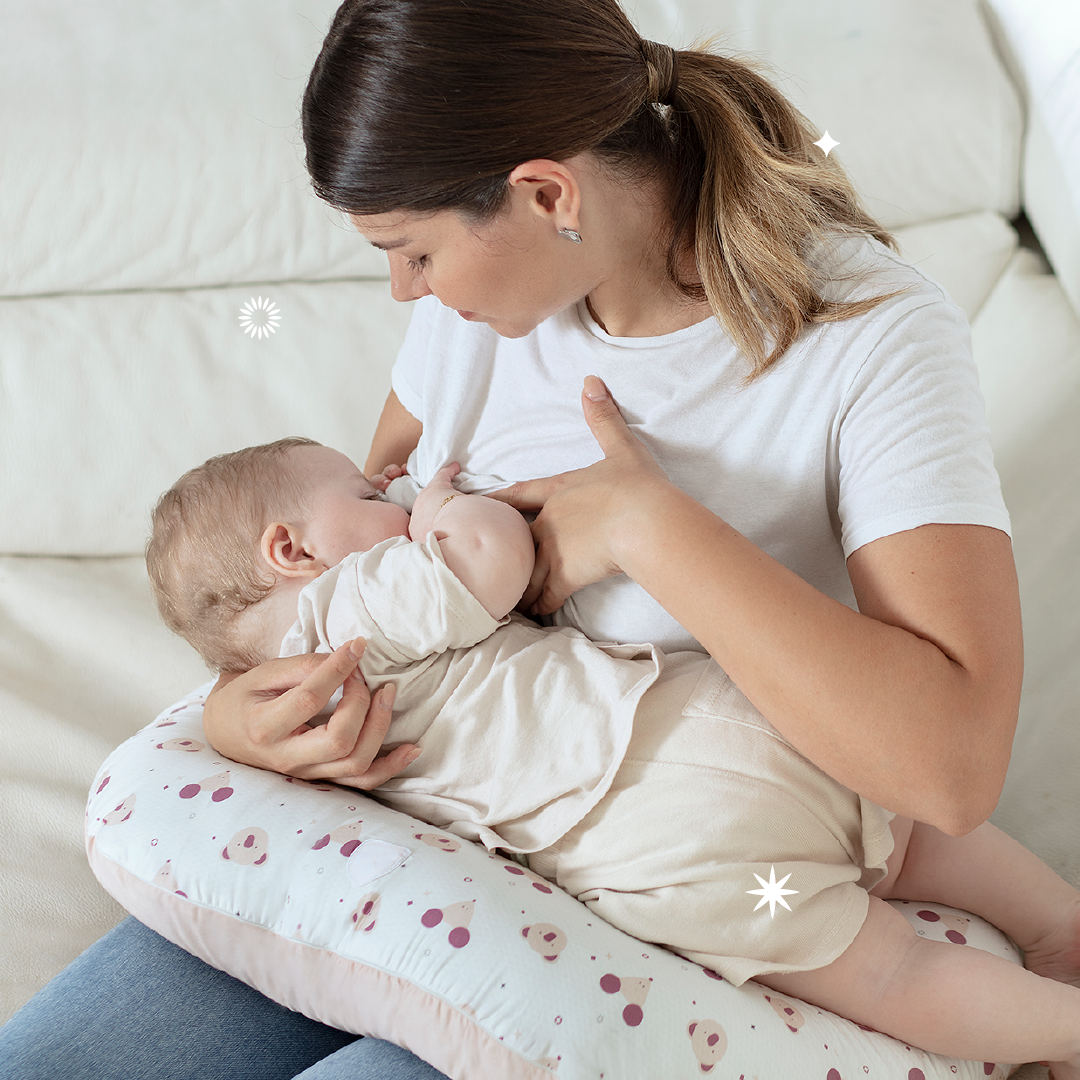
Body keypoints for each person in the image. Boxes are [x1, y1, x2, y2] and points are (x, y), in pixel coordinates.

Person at [0, 0, 1056, 1076]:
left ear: (547, 193)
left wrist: (648, 526)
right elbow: (347, 584)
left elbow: (953, 772)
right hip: (439, 846)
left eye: (412, 253)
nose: (404, 292)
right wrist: (246, 715)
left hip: (680, 873)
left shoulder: (865, 338)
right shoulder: (472, 320)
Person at [142, 433, 1080, 1071]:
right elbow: (489, 556)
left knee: (889, 975)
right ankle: (1057, 928)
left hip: (661, 851)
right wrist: (436, 511)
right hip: (700, 727)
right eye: (364, 494)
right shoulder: (347, 609)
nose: (388, 492)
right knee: (911, 832)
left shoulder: (295, 698)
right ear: (293, 551)